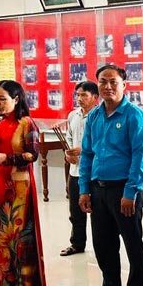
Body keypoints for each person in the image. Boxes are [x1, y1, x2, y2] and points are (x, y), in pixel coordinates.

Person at [78, 64, 143, 286]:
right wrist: (84, 189)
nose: (107, 86)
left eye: (113, 81)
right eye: (102, 82)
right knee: (103, 246)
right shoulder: (95, 116)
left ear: (124, 85)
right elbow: (87, 154)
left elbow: (140, 157)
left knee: (133, 246)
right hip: (98, 190)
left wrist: (131, 191)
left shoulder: (135, 116)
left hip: (125, 191)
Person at [0, 80, 47, 286]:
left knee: (19, 234)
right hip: (0, 181)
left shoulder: (26, 123)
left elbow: (33, 155)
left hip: (20, 185)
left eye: (3, 99)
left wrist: (8, 159)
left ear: (16, 99)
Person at [62, 80, 99, 256]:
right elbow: (69, 137)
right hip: (75, 171)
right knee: (75, 211)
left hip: (94, 172)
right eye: (77, 94)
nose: (80, 98)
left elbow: (101, 144)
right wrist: (68, 154)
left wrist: (82, 151)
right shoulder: (73, 115)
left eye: (84, 95)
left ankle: (101, 246)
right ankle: (77, 244)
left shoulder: (99, 116)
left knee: (98, 212)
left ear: (95, 98)